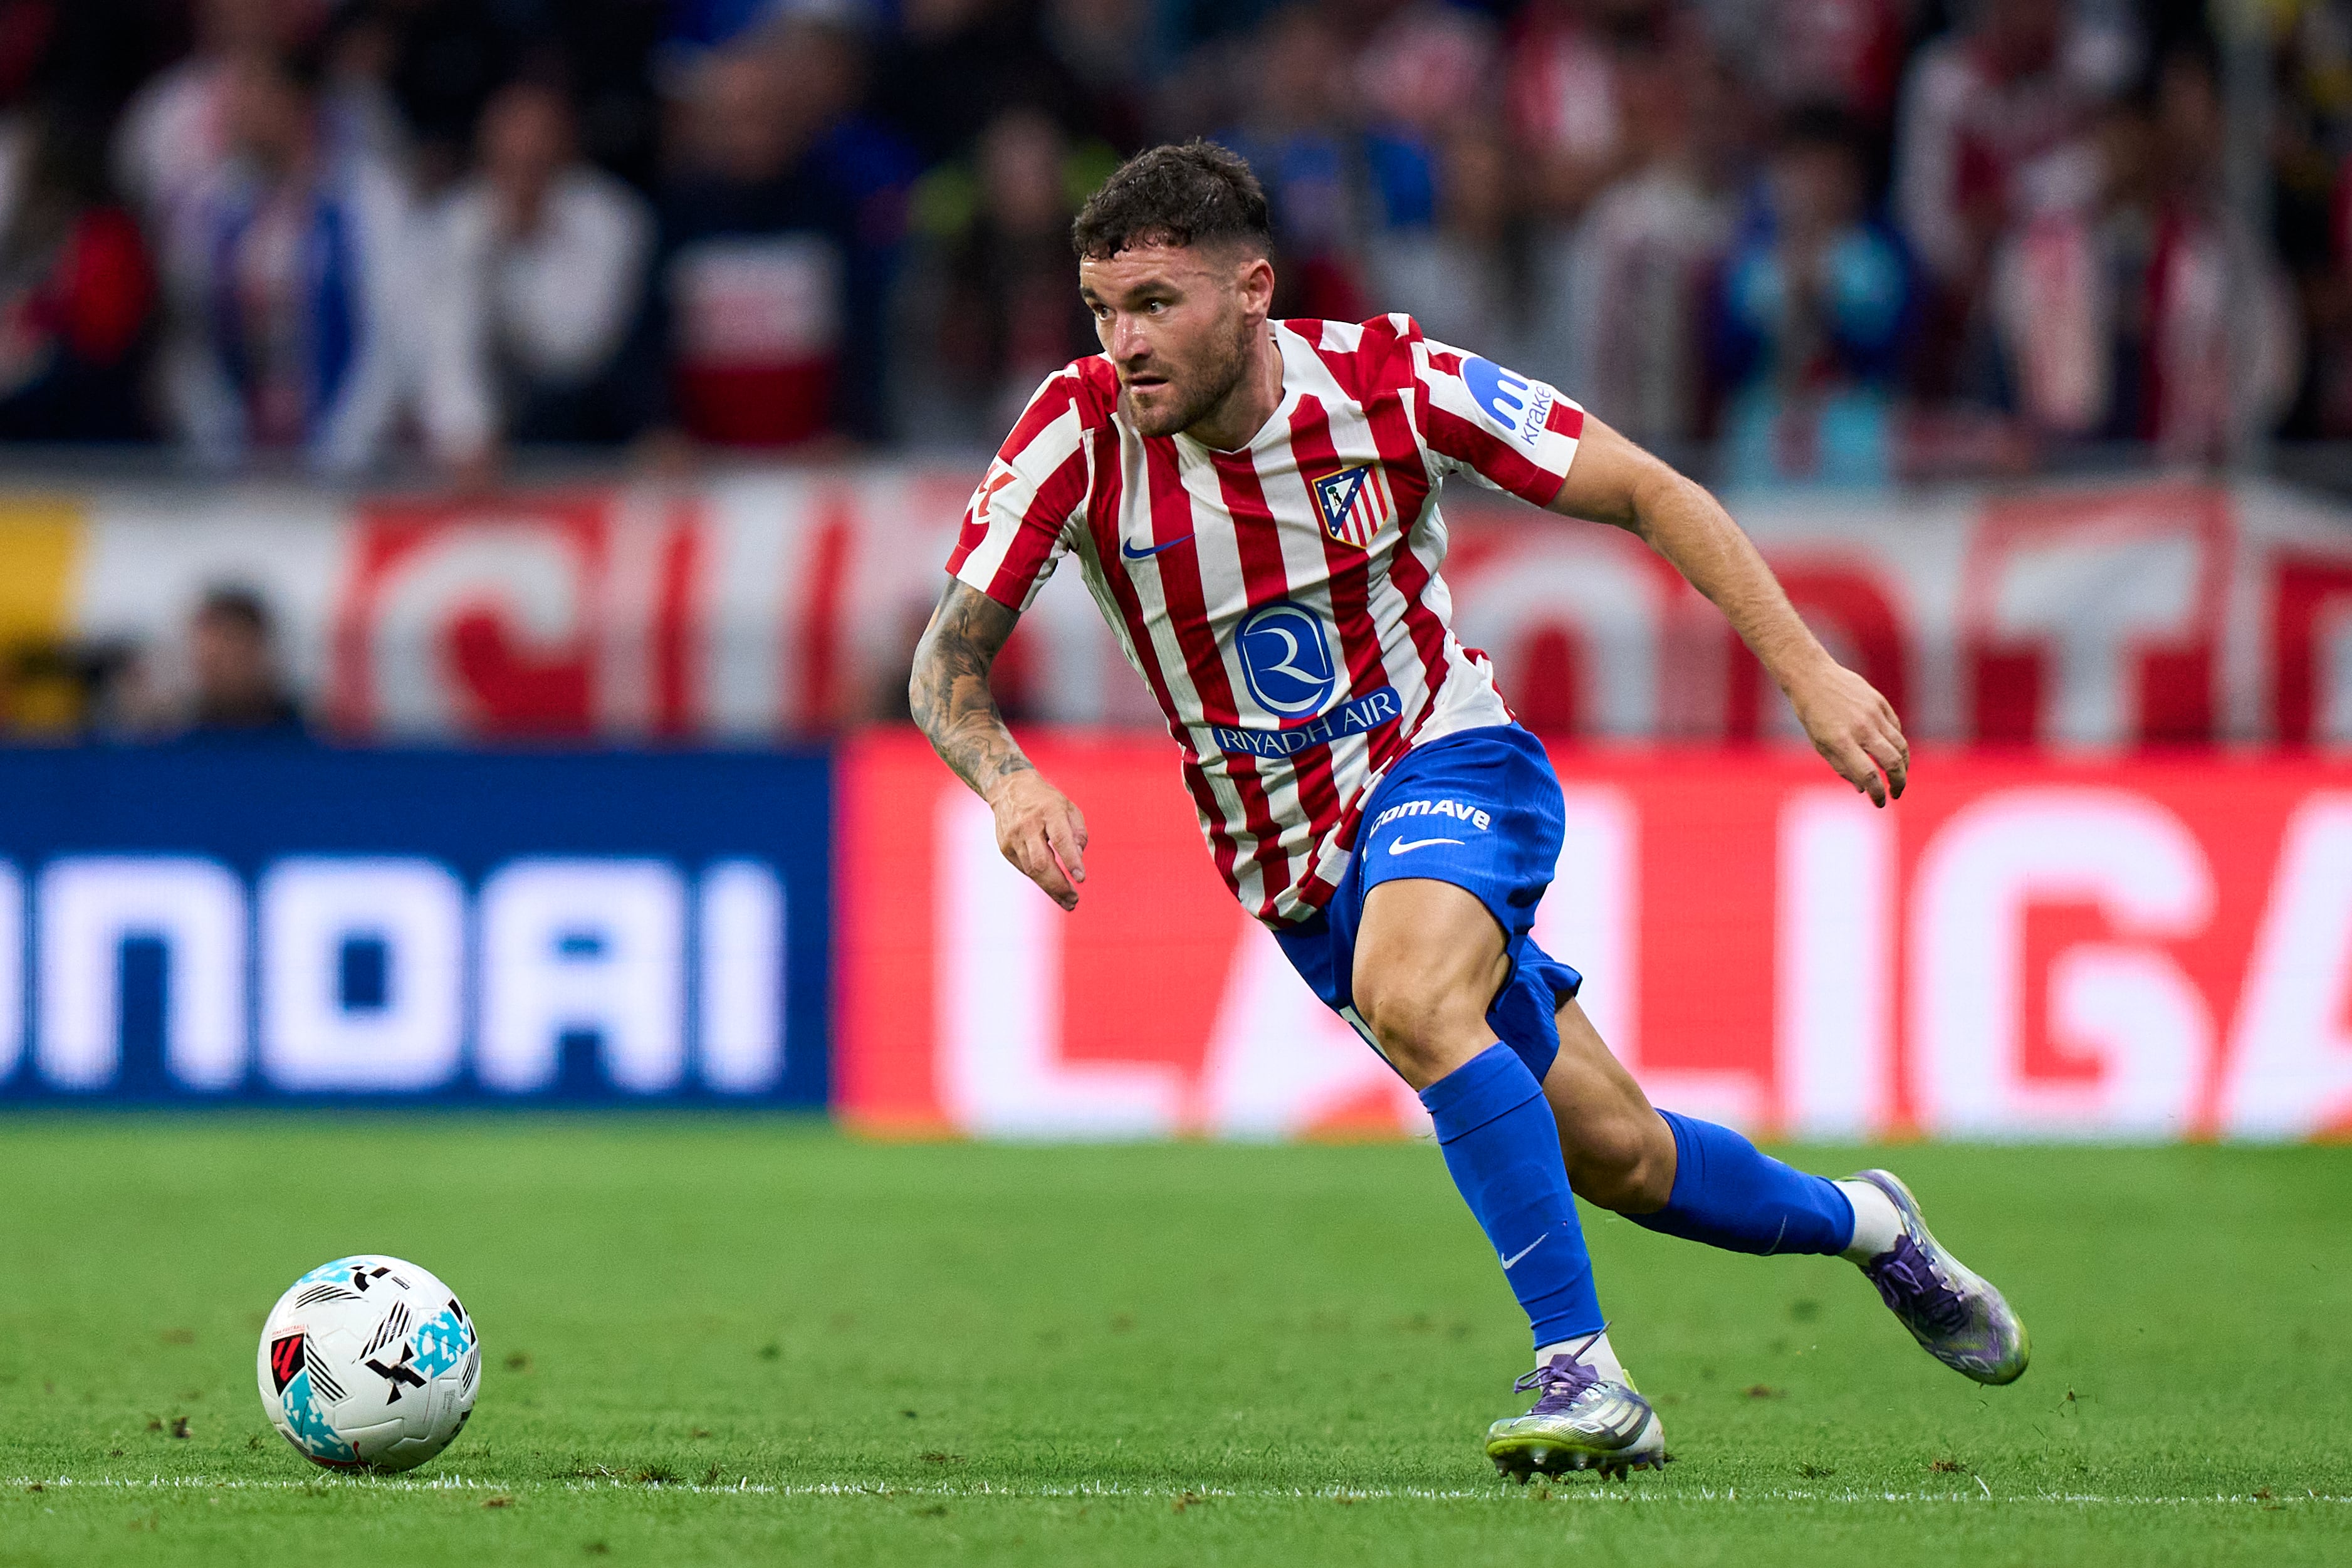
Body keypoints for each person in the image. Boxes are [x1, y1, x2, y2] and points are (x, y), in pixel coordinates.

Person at [906, 141, 2027, 1479]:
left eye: (1156, 304)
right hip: (1288, 862)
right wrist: (1008, 776)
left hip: (1445, 763)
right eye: (1102, 309)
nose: (1122, 342)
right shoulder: (1076, 434)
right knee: (1621, 1156)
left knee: (1416, 993)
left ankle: (1583, 1372)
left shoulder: (1388, 386)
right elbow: (945, 665)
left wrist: (1809, 672)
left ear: (1252, 289)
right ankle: (1869, 1225)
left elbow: (1646, 489)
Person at [187, 584, 306, 736]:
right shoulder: (169, 745)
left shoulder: (315, 739)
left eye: (234, 656)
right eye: (214, 659)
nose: (224, 671)